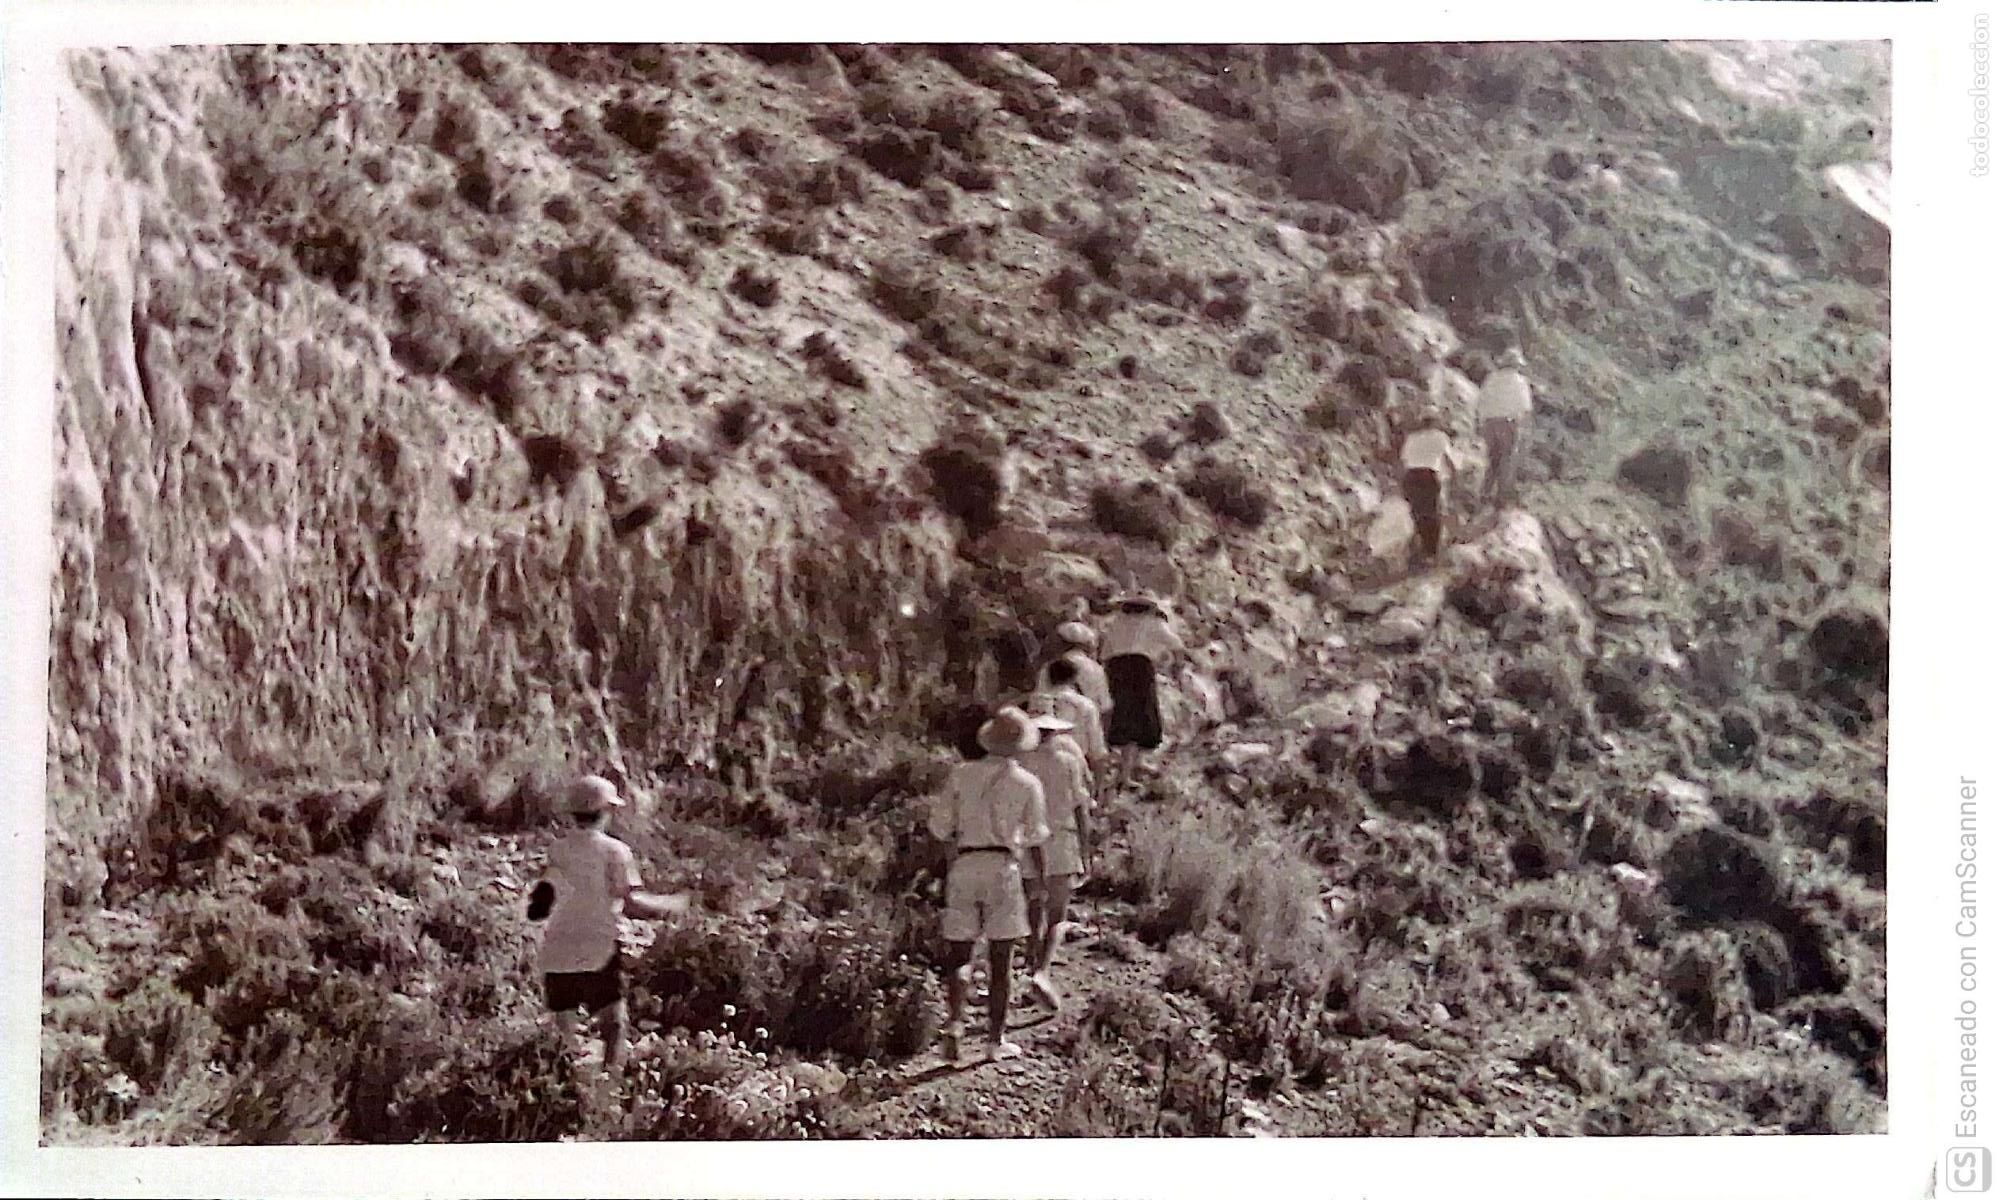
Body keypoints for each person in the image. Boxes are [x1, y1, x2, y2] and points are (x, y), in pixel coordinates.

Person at [526, 774, 691, 1072]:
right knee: (614, 1025)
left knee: (564, 1033)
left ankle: (561, 1091)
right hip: (598, 948)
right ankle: (608, 1090)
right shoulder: (614, 851)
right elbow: (632, 903)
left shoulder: (557, 850)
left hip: (558, 949)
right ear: (604, 812)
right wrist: (673, 905)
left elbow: (545, 898)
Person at [926, 708, 1051, 1062]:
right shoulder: (1027, 784)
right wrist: (1039, 883)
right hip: (1003, 867)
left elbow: (939, 828)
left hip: (965, 863)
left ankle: (954, 1021)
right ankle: (995, 1041)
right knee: (1001, 960)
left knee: (960, 954)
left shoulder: (961, 775)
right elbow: (1036, 839)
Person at [1018, 707, 1094, 1011]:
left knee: (1033, 905)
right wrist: (1086, 849)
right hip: (1061, 838)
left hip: (1028, 840)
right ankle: (1042, 970)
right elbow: (1080, 808)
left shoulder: (1021, 763)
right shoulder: (1068, 762)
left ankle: (1029, 965)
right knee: (1058, 915)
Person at [1098, 594, 1185, 793]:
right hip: (1139, 668)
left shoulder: (1116, 623)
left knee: (1123, 715)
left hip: (1115, 669)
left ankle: (1126, 765)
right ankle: (1127, 773)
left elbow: (1104, 654)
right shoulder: (1153, 623)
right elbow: (1177, 645)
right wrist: (1177, 668)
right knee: (1140, 717)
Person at [1399, 414, 1467, 564]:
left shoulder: (1412, 438)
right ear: (1435, 422)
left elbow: (1403, 462)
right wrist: (1457, 479)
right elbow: (1449, 460)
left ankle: (1421, 549)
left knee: (1417, 513)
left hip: (1411, 477)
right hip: (1428, 476)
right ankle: (1431, 552)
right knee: (1432, 514)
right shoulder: (1440, 437)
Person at [1478, 347, 1533, 504]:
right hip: (1508, 423)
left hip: (1489, 423)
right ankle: (1501, 497)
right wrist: (1524, 427)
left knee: (1492, 459)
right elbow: (1525, 407)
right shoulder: (1520, 382)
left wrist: (1481, 422)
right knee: (1507, 459)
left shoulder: (1492, 378)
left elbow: (1481, 400)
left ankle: (1485, 492)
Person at [1041, 620, 1112, 719]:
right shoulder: (1097, 669)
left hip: (1058, 727)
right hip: (1087, 725)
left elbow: (1041, 701)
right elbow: (1105, 706)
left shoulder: (1051, 667)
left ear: (1063, 642)